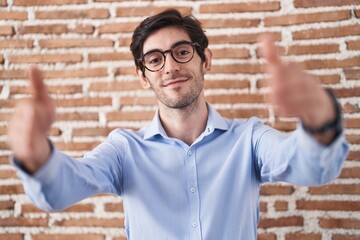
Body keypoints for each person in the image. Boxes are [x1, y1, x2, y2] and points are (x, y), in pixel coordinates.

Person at [8, 9, 349, 240]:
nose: (170, 67)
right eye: (155, 59)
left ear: (205, 59)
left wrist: (321, 119)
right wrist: (37, 158)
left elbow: (310, 166)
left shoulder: (249, 138)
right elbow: (65, 186)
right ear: (143, 76)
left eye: (181, 51)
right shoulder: (124, 149)